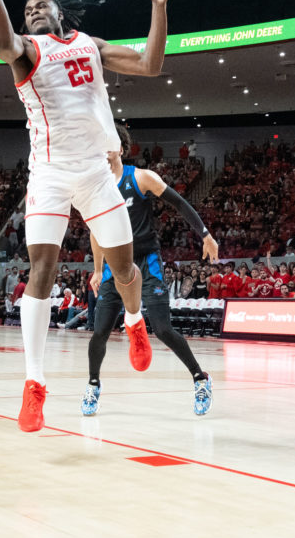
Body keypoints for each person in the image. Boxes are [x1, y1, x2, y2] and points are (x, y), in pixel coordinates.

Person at [0, 0, 183, 432]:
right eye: (26, 9)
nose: (32, 12)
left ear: (58, 12)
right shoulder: (25, 51)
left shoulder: (89, 44)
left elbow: (152, 63)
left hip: (96, 173)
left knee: (124, 271)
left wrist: (158, 7)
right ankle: (34, 383)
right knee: (41, 270)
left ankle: (134, 323)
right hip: (48, 174)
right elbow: (3, 40)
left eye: (38, 6)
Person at [83, 125, 220, 418]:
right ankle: (93, 385)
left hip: (147, 259)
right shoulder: (97, 189)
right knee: (100, 333)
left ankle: (200, 379)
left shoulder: (141, 177)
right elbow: (95, 233)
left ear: (121, 149)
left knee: (163, 329)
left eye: (110, 146)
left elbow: (180, 202)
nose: (105, 152)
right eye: (100, 146)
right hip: (112, 264)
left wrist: (205, 234)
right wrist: (96, 269)